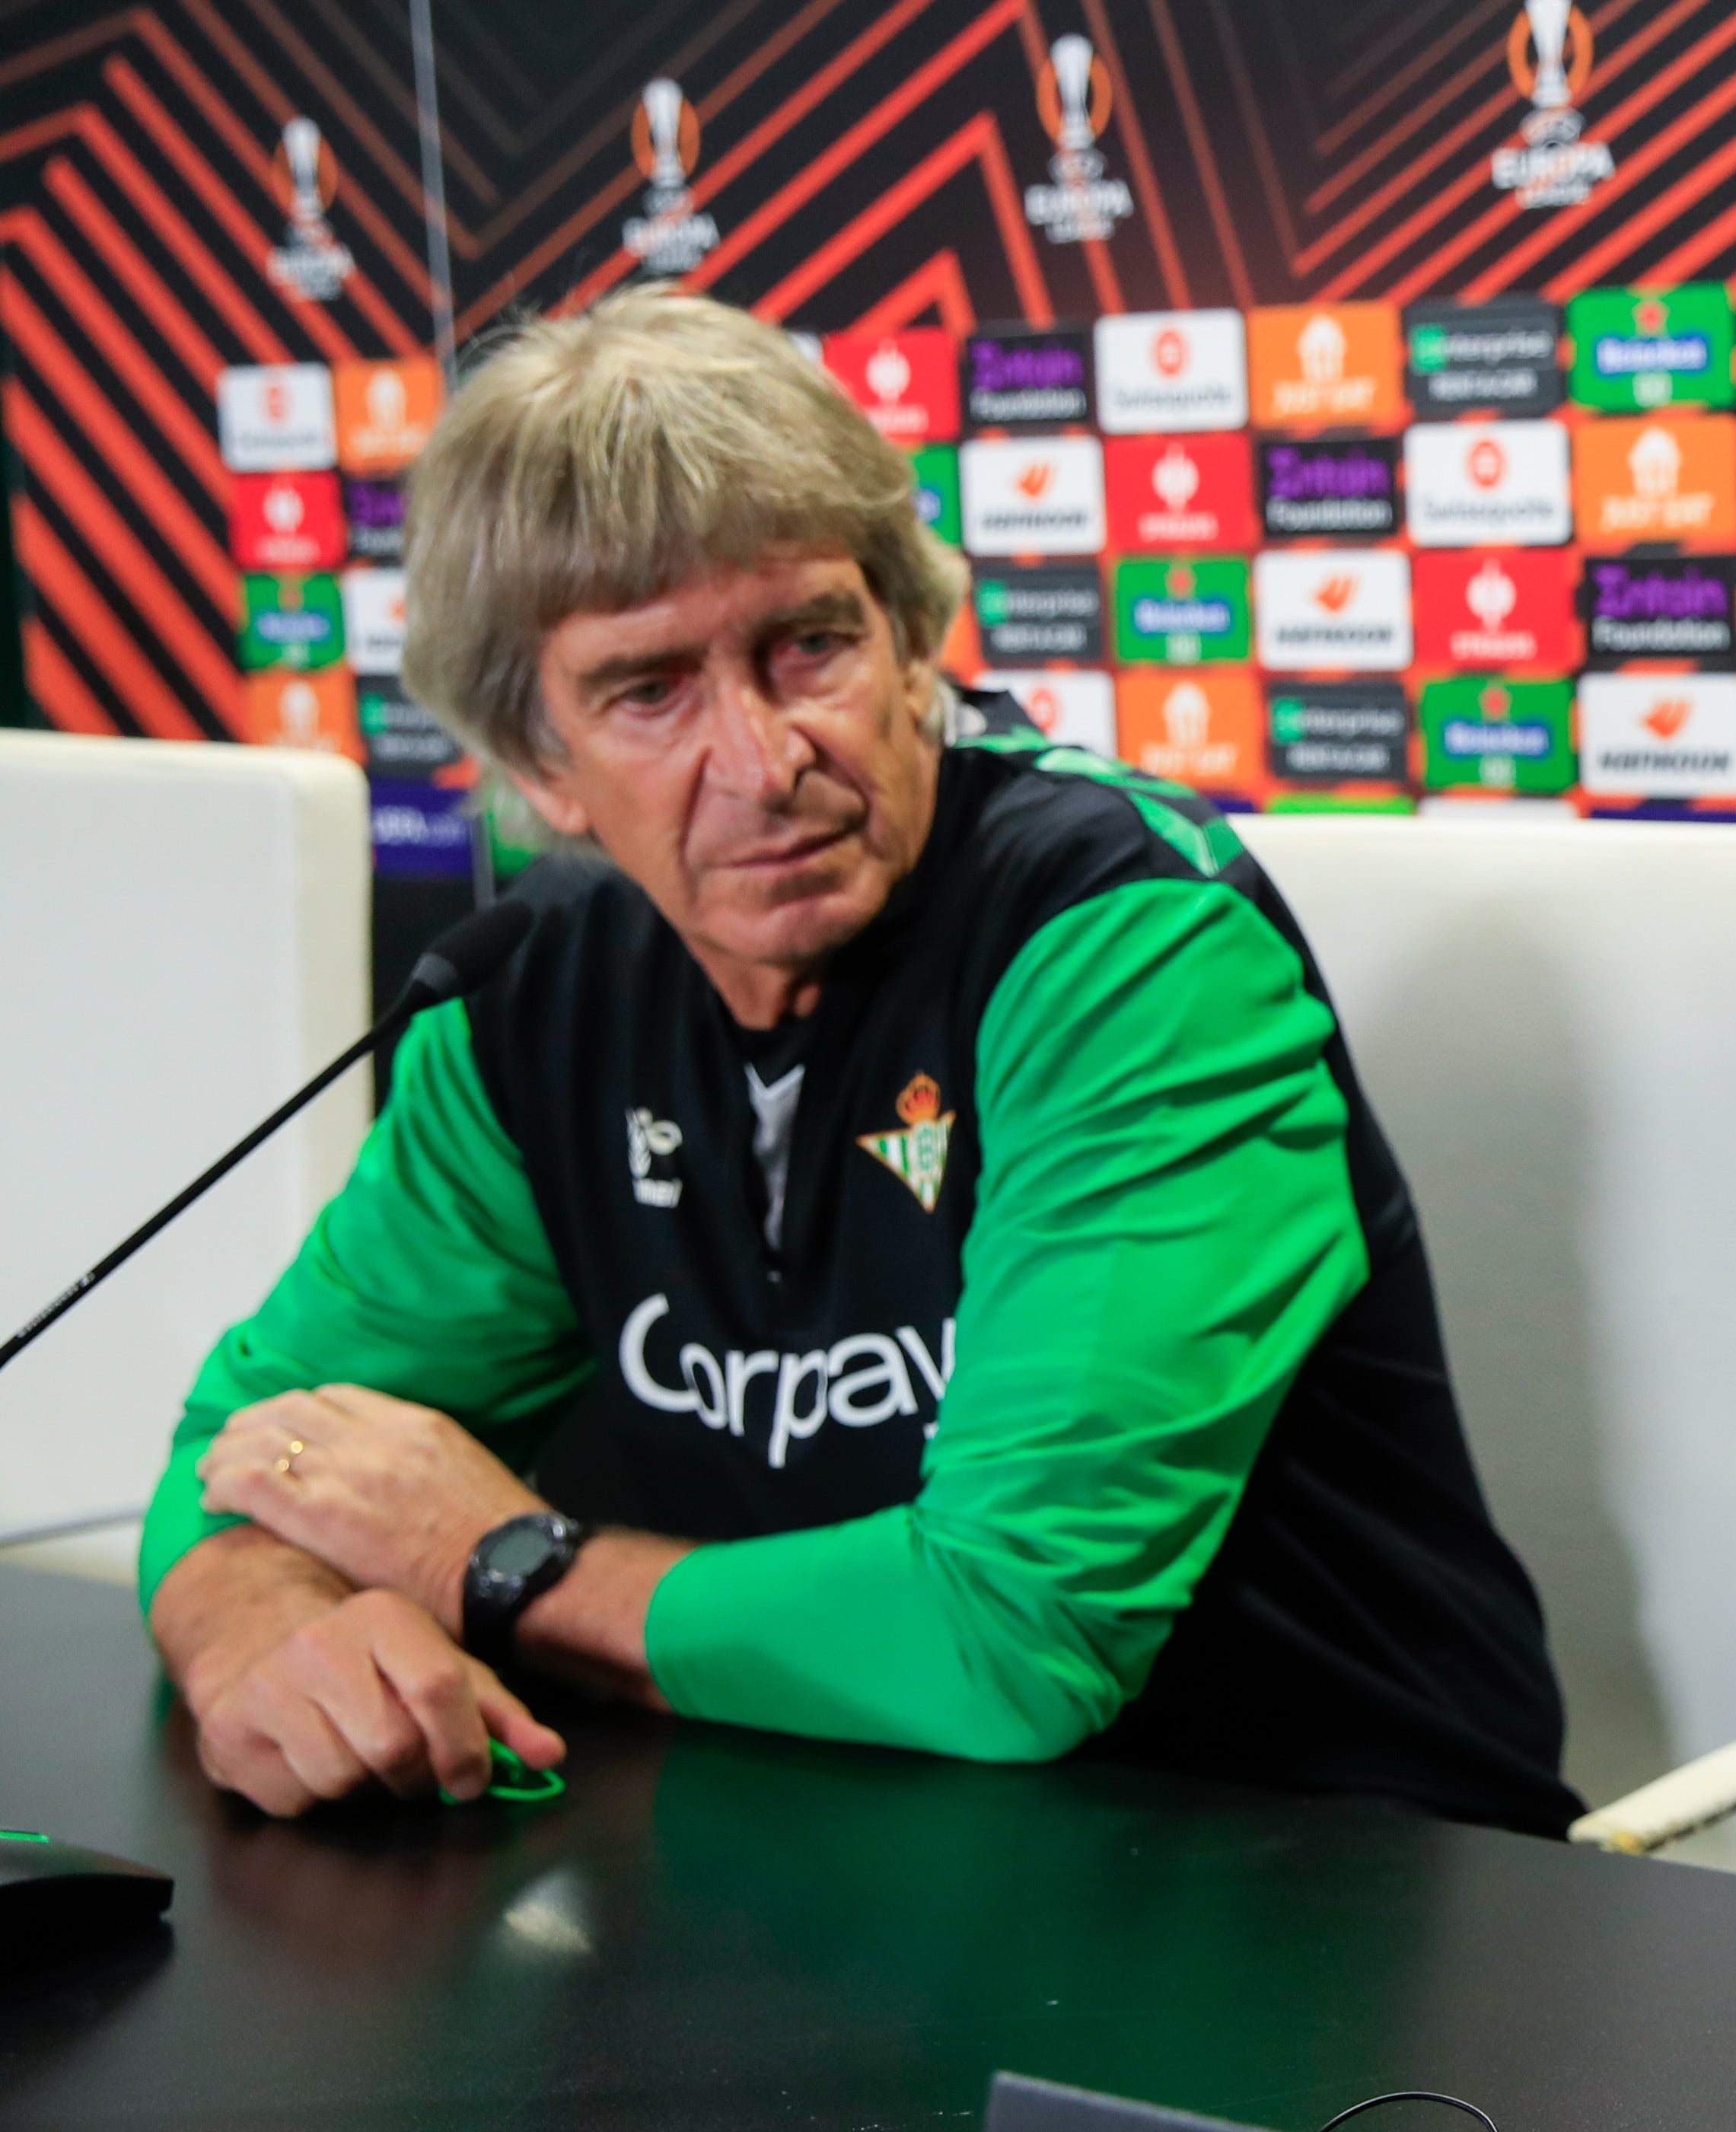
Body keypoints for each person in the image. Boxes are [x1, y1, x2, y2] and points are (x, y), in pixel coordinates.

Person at [142, 286, 1578, 1838]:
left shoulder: (1128, 943)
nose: (762, 763)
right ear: (542, 765)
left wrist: (500, 1562)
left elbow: (1010, 1638)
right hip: (838, 1858)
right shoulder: (524, 998)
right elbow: (253, 1441)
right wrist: (252, 1629)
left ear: (909, 642)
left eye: (806, 645)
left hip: (1318, 1870)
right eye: (649, 691)